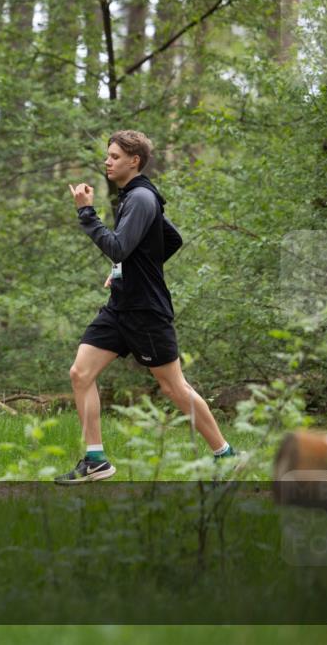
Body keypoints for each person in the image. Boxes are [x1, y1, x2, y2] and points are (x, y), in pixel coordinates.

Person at [57, 130, 235, 485]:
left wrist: (86, 213)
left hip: (146, 312)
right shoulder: (134, 198)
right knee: (81, 373)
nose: (107, 161)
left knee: (174, 388)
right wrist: (124, 272)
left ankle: (226, 456)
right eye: (107, 155)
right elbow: (170, 239)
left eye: (115, 156)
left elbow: (118, 247)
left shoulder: (140, 199)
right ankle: (95, 461)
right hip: (120, 307)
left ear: (134, 161)